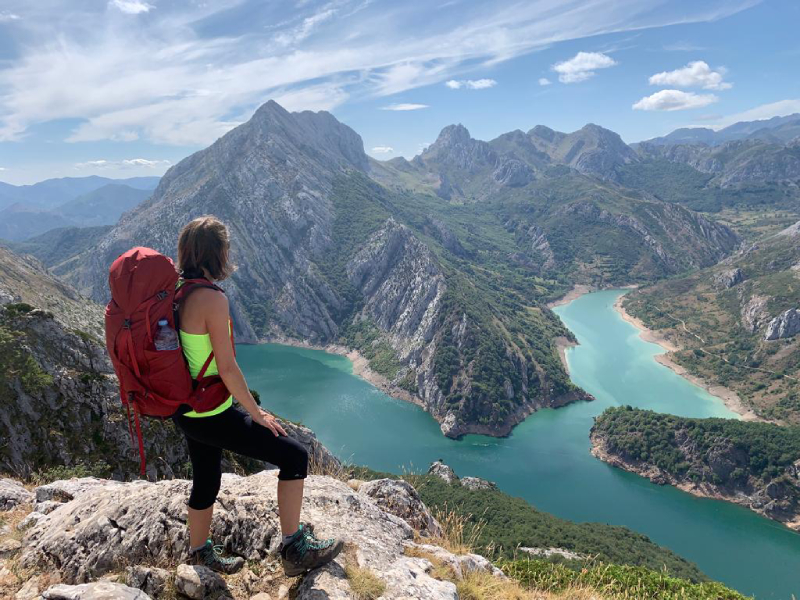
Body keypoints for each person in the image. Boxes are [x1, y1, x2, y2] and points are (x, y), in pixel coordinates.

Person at [172, 215, 343, 576]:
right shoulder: (210, 299)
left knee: (206, 478)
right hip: (211, 412)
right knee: (294, 455)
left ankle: (199, 553)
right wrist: (257, 413)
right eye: (226, 249)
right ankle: (294, 548)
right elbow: (228, 368)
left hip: (185, 408)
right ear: (216, 254)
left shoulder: (175, 291)